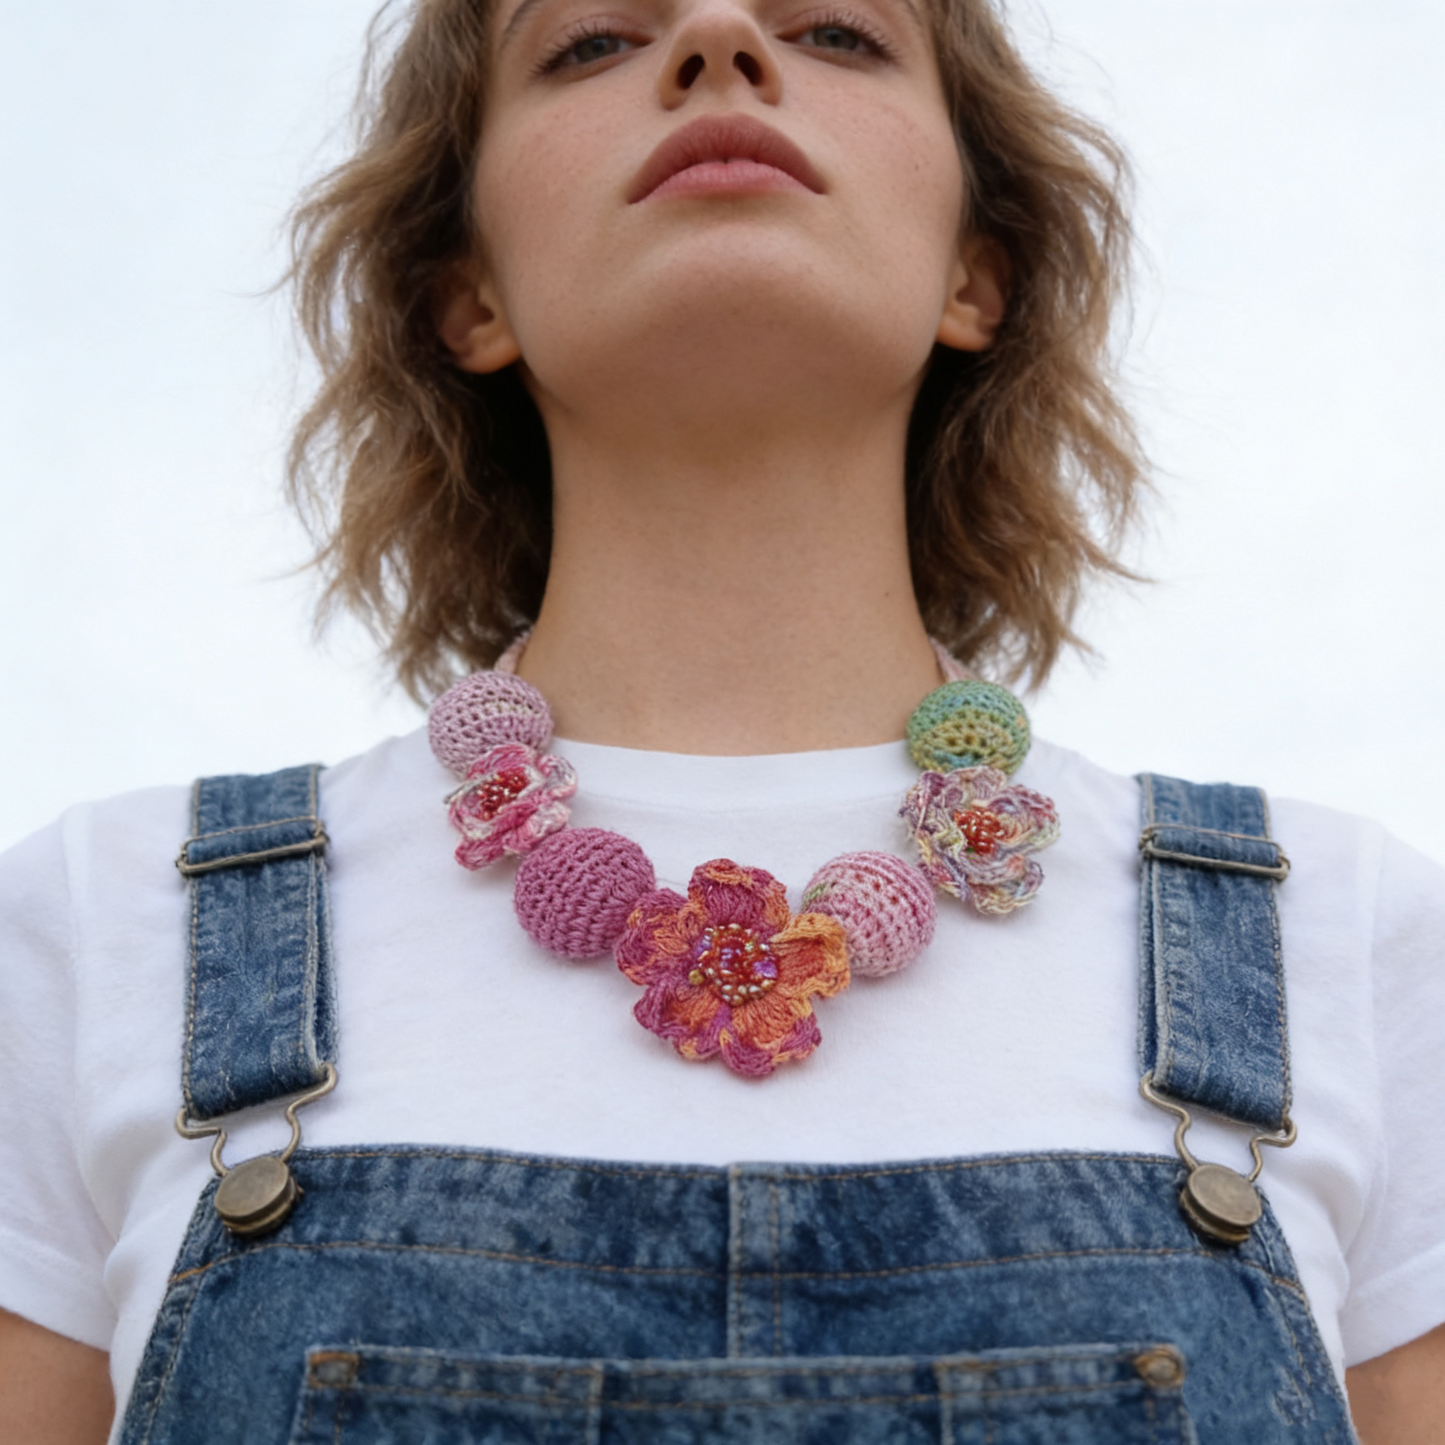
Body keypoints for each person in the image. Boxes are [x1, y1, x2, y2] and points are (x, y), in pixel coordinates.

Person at [1, 0, 1442, 1439]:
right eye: (587, 43)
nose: (716, 39)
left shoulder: (1354, 944)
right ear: (470, 297)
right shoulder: (99, 930)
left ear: (975, 276)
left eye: (836, 30)